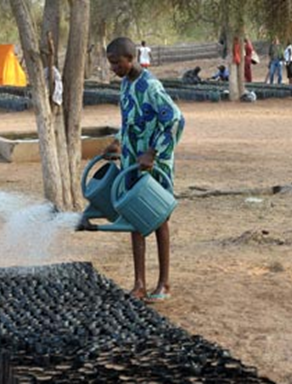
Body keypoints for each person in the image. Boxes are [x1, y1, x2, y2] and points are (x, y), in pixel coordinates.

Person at [103, 37, 185, 302]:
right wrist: (117, 142)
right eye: (111, 64)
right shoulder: (126, 85)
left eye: (117, 63)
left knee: (159, 219)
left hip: (154, 166)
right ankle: (139, 283)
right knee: (134, 218)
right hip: (131, 163)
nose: (114, 68)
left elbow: (175, 120)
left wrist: (154, 152)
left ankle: (164, 283)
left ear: (130, 58)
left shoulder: (151, 86)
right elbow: (127, 121)